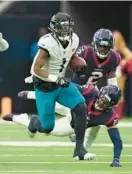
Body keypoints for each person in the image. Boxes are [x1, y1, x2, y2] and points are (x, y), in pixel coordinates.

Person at [18, 28, 122, 149]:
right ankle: (32, 97)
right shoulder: (85, 52)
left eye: (106, 46)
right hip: (77, 89)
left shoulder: (114, 58)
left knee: (96, 122)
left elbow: (111, 78)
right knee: (54, 111)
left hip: (92, 92)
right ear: (94, 44)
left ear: (111, 47)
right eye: (100, 46)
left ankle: (83, 148)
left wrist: (114, 94)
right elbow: (63, 62)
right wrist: (40, 75)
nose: (103, 49)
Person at [18, 12, 89, 161]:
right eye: (62, 28)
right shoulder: (47, 43)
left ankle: (80, 149)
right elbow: (35, 69)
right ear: (54, 29)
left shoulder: (74, 39)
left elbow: (69, 58)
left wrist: (78, 67)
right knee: (47, 127)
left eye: (67, 28)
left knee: (81, 106)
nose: (65, 31)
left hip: (60, 84)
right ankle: (34, 122)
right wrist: (55, 79)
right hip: (44, 86)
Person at [3, 84, 123, 167]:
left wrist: (116, 159)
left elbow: (116, 140)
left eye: (106, 103)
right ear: (99, 93)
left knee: (48, 129)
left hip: (74, 124)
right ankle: (32, 94)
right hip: (71, 107)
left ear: (111, 106)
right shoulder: (89, 91)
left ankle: (22, 119)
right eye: (102, 99)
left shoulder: (109, 116)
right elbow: (69, 88)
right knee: (53, 100)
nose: (101, 104)